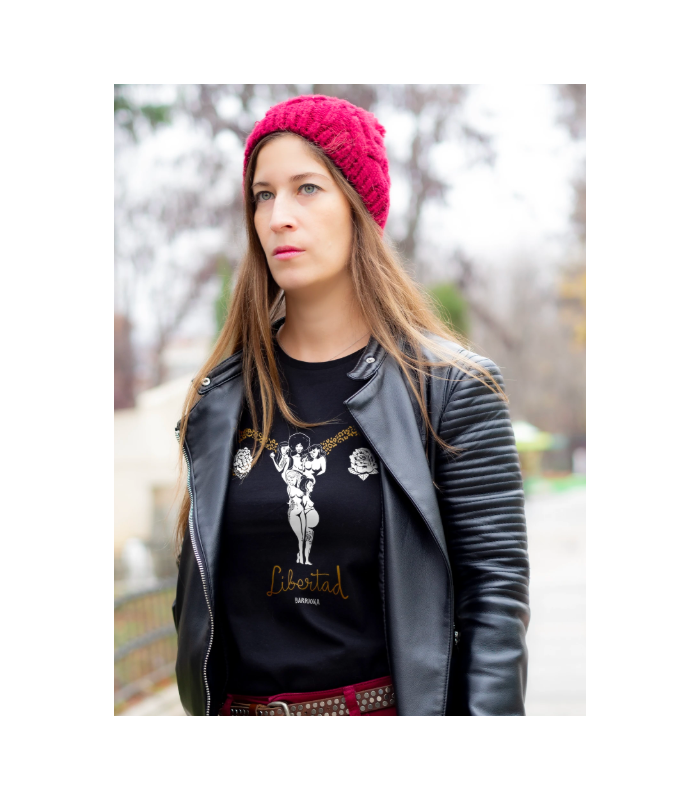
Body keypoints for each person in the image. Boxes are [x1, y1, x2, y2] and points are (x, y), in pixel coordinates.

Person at [173, 95, 530, 717]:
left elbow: (494, 601)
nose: (278, 217)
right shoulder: (222, 396)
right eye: (263, 195)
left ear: (359, 206)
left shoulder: (449, 388)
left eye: (307, 189)